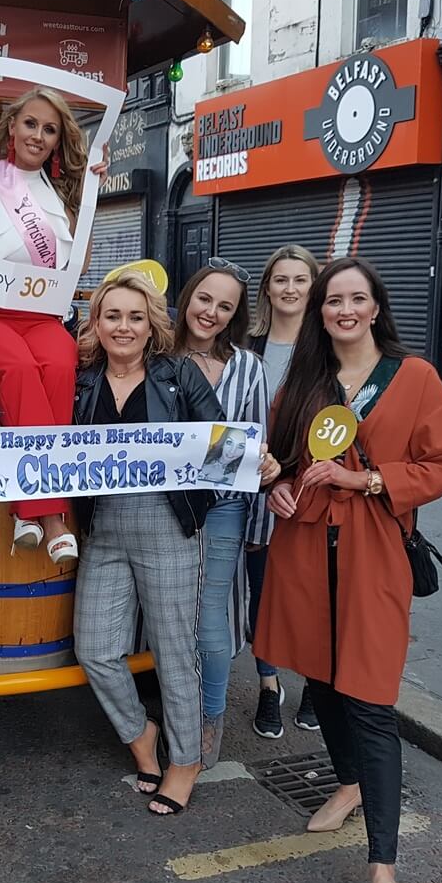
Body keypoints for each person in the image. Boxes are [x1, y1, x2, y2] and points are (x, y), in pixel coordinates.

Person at [256, 256, 442, 883]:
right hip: (304, 551)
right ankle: (347, 784)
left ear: (375, 307)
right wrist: (276, 485)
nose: (343, 310)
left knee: (370, 699)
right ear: (320, 313)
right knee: (318, 677)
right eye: (332, 301)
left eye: (355, 299)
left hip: (374, 553)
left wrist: (367, 480)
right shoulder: (306, 378)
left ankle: (382, 866)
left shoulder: (414, 377)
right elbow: (277, 457)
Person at [0, 88, 107, 564]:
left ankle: (25, 512)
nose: (38, 135)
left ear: (57, 141)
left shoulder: (60, 196)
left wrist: (90, 196)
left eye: (49, 129)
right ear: (12, 126)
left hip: (41, 316)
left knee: (61, 364)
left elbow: (79, 265)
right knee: (19, 368)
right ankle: (49, 516)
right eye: (31, 123)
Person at [71, 269, 223, 816]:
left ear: (152, 324)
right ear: (96, 322)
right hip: (103, 527)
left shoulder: (178, 373)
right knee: (94, 649)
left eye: (136, 316)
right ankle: (141, 734)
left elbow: (219, 441)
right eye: (112, 315)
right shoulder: (81, 379)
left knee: (174, 650)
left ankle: (185, 760)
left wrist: (261, 461)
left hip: (167, 523)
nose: (124, 326)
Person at [172, 262, 275, 770]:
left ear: (236, 316)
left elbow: (255, 449)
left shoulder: (249, 368)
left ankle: (209, 720)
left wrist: (258, 526)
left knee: (210, 616)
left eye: (225, 306)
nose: (211, 312)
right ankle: (174, 711)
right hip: (160, 508)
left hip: (222, 508)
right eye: (204, 299)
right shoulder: (156, 354)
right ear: (188, 297)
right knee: (166, 616)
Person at [245, 244, 321, 737]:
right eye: (280, 279)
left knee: (310, 593)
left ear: (313, 287)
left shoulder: (326, 348)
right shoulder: (247, 346)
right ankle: (268, 684)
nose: (290, 289)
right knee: (263, 591)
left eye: (300, 280)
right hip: (254, 488)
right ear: (268, 289)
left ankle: (315, 680)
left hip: (307, 489)